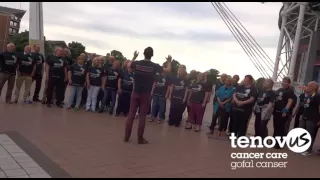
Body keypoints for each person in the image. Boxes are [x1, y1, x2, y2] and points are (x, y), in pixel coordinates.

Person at [124, 48, 172, 144]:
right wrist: (169, 61)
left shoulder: (137, 63)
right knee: (142, 116)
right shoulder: (155, 66)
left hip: (135, 92)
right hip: (146, 94)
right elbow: (168, 70)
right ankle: (140, 138)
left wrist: (134, 57)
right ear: (152, 55)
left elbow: (128, 65)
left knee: (131, 115)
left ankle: (126, 136)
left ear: (144, 54)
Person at [273, 77, 295, 149]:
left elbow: (290, 101)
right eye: (283, 81)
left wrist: (285, 111)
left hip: (282, 112)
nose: (283, 83)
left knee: (280, 127)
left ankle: (279, 143)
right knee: (276, 126)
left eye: (285, 82)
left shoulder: (290, 91)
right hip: (276, 111)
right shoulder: (279, 90)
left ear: (288, 83)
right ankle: (275, 140)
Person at [299, 81, 320, 156]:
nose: (308, 87)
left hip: (312, 118)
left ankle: (308, 150)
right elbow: (305, 105)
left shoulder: (317, 96)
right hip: (304, 116)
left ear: (314, 87)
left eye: (310, 86)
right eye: (307, 85)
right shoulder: (307, 95)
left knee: (309, 134)